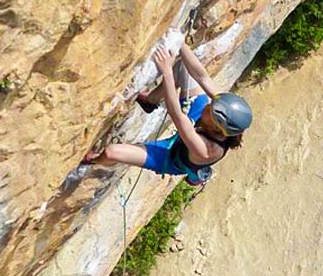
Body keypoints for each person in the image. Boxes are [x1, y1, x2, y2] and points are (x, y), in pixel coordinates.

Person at [83, 43, 252, 187]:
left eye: (210, 109)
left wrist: (167, 71)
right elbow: (202, 77)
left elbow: (176, 114)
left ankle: (95, 160)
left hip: (170, 156)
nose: (208, 105)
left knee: (112, 152)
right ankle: (150, 100)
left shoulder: (206, 150)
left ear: (217, 126)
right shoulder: (224, 111)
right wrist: (181, 42)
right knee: (183, 67)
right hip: (197, 129)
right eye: (212, 103)